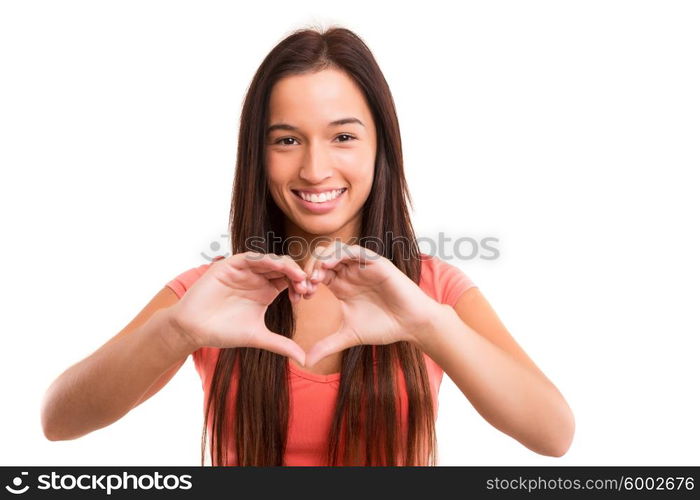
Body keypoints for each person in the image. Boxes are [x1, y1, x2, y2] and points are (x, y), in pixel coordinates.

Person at [40, 26, 575, 466]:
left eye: (343, 136)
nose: (315, 169)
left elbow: (554, 435)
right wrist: (177, 329)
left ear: (379, 148)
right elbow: (58, 421)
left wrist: (429, 325)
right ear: (259, 153)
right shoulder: (213, 294)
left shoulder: (432, 289)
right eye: (286, 139)